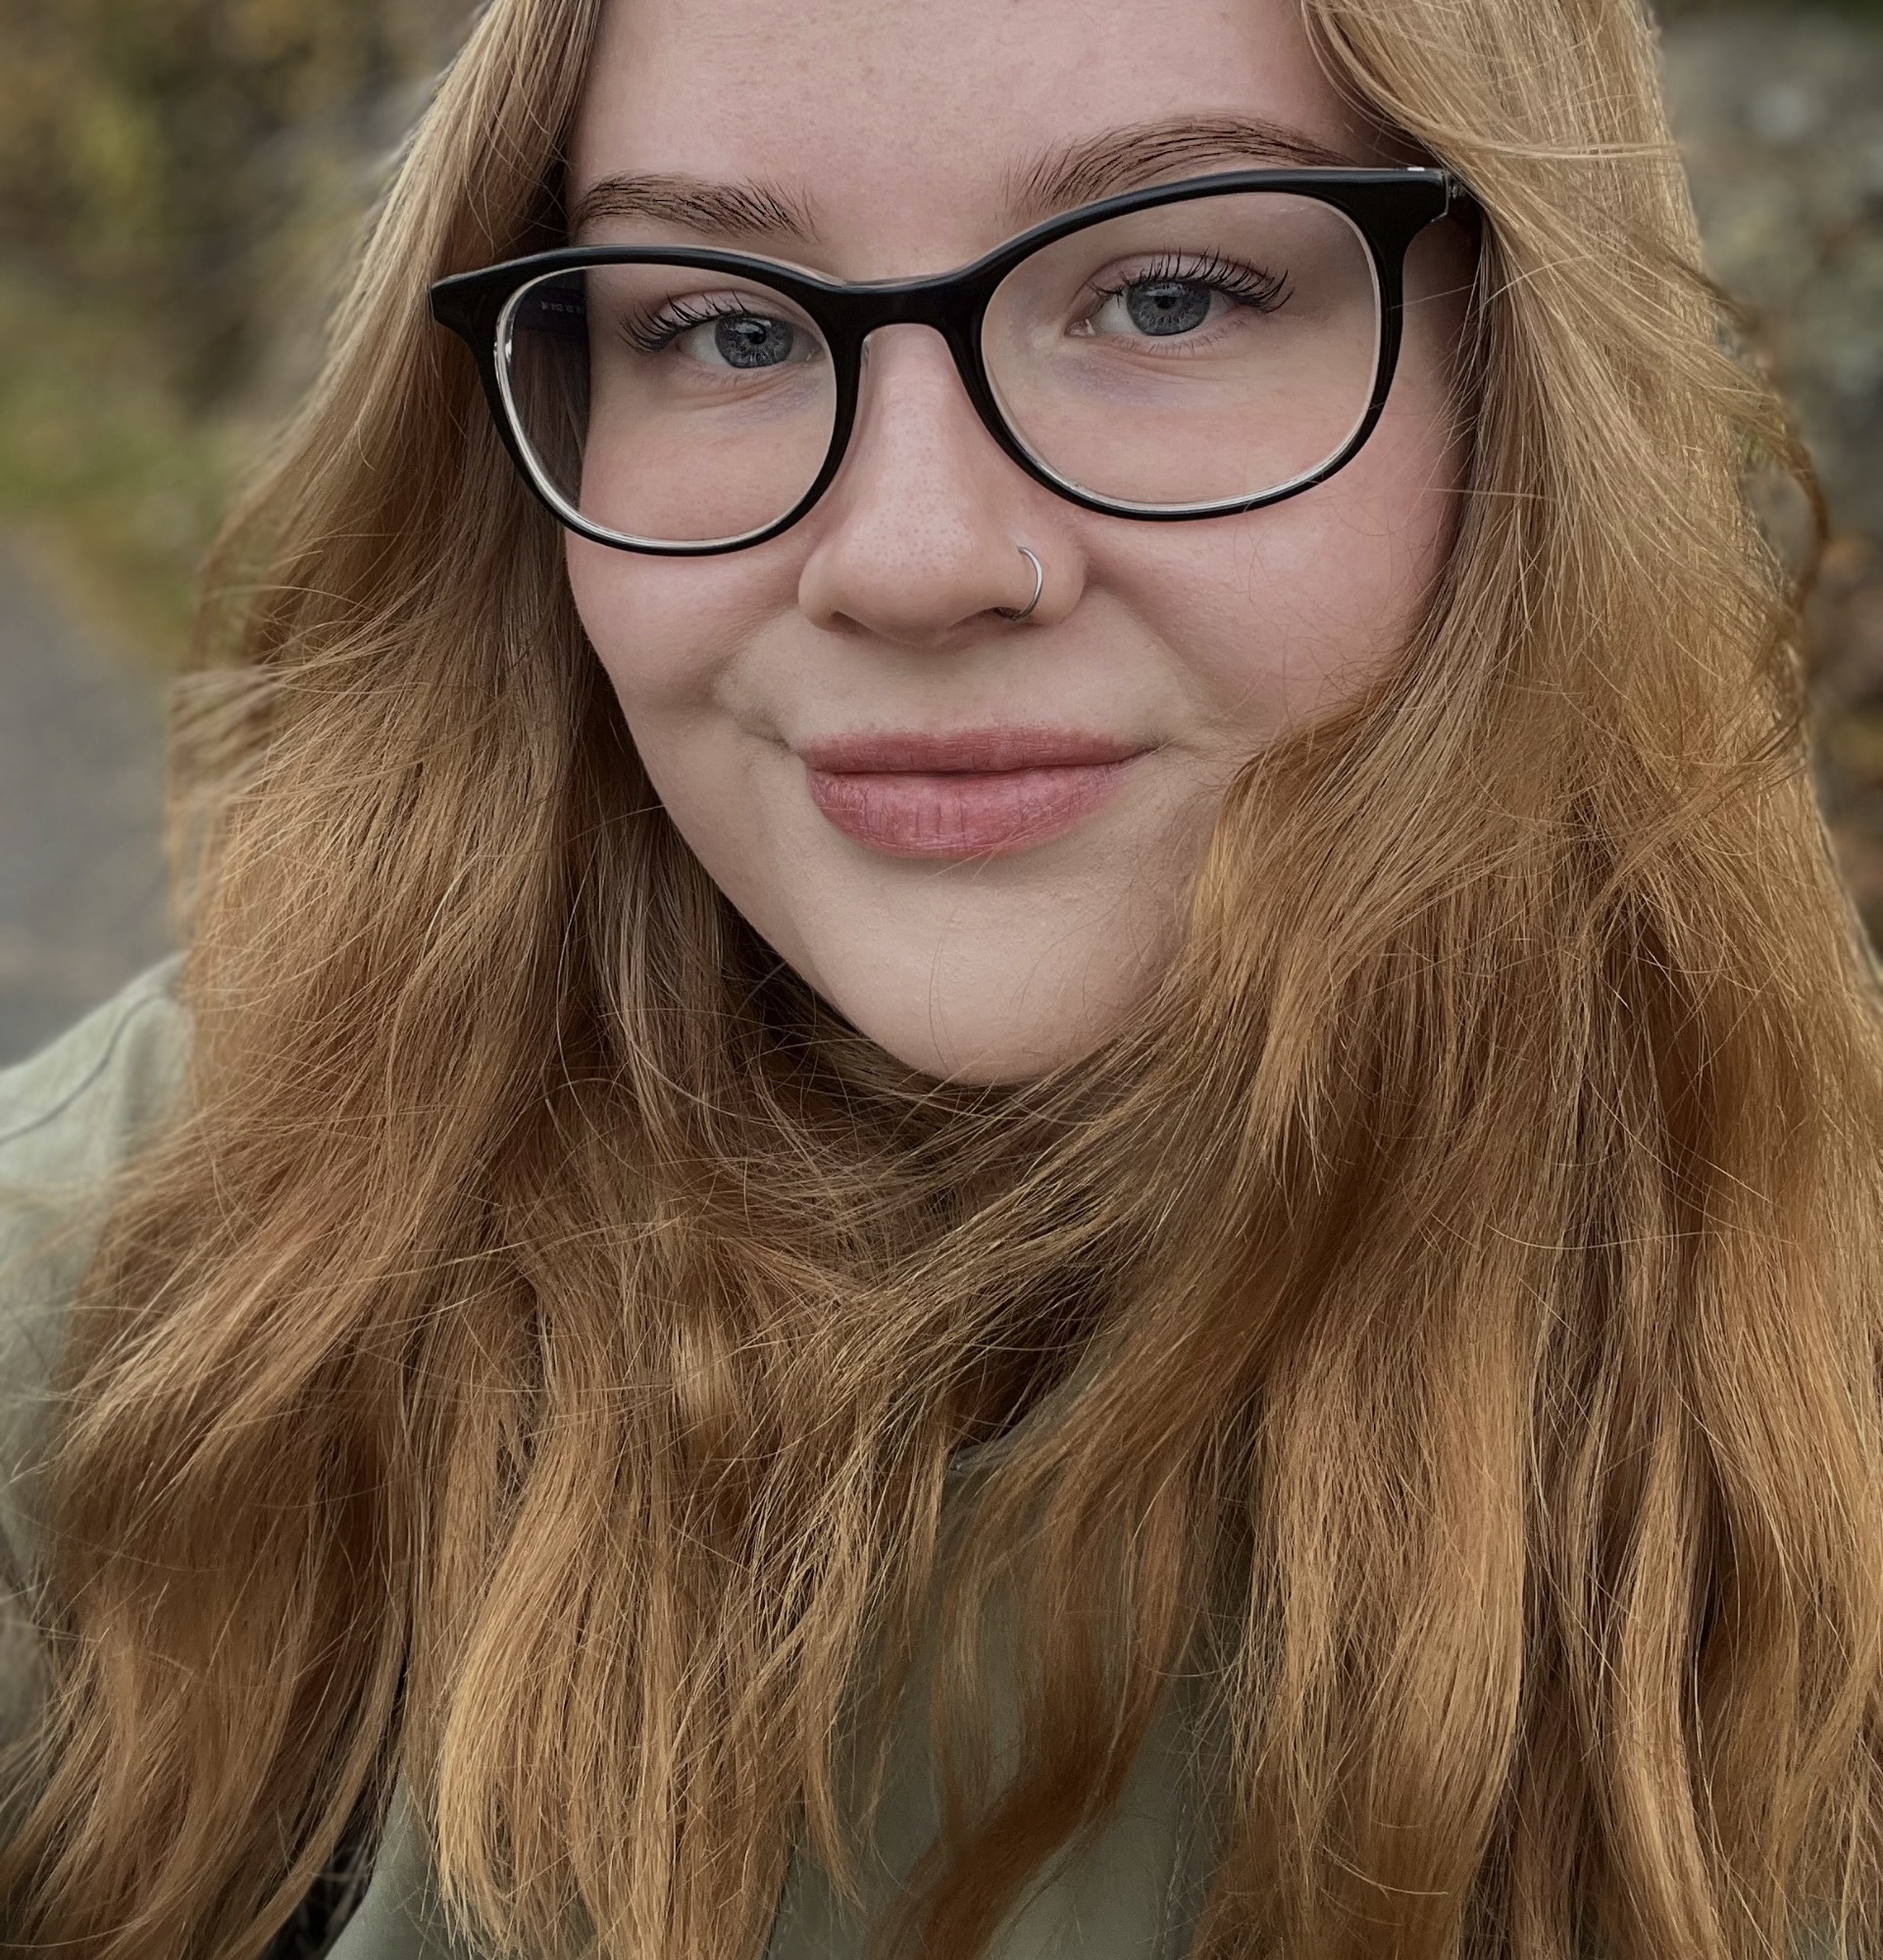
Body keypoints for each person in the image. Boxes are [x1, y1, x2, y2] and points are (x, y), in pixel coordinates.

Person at [2, 0, 1880, 1953]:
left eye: (1167, 297)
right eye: (721, 328)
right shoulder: (150, 1310)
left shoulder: (1821, 1385)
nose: (907, 560)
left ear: (1524, 367)